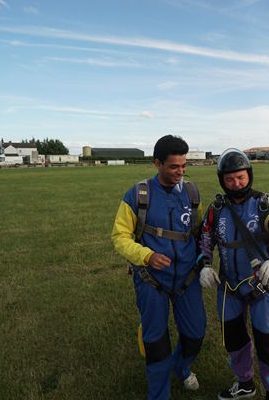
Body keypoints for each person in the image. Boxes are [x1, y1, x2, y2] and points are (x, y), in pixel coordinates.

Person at [199, 148, 269, 400]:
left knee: (266, 343)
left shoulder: (266, 205)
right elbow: (205, 237)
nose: (236, 184)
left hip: (263, 289)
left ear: (249, 175)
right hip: (229, 289)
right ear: (222, 180)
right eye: (230, 179)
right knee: (233, 340)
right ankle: (245, 383)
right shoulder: (216, 209)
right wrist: (205, 264)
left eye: (241, 177)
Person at [111, 135, 205, 400]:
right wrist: (147, 256)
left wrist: (205, 263)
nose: (180, 172)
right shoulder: (138, 195)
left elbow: (199, 232)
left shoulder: (191, 193)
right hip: (151, 279)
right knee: (156, 344)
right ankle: (159, 395)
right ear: (157, 163)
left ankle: (181, 367)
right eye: (174, 166)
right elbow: (119, 237)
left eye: (184, 165)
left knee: (195, 334)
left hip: (187, 279)